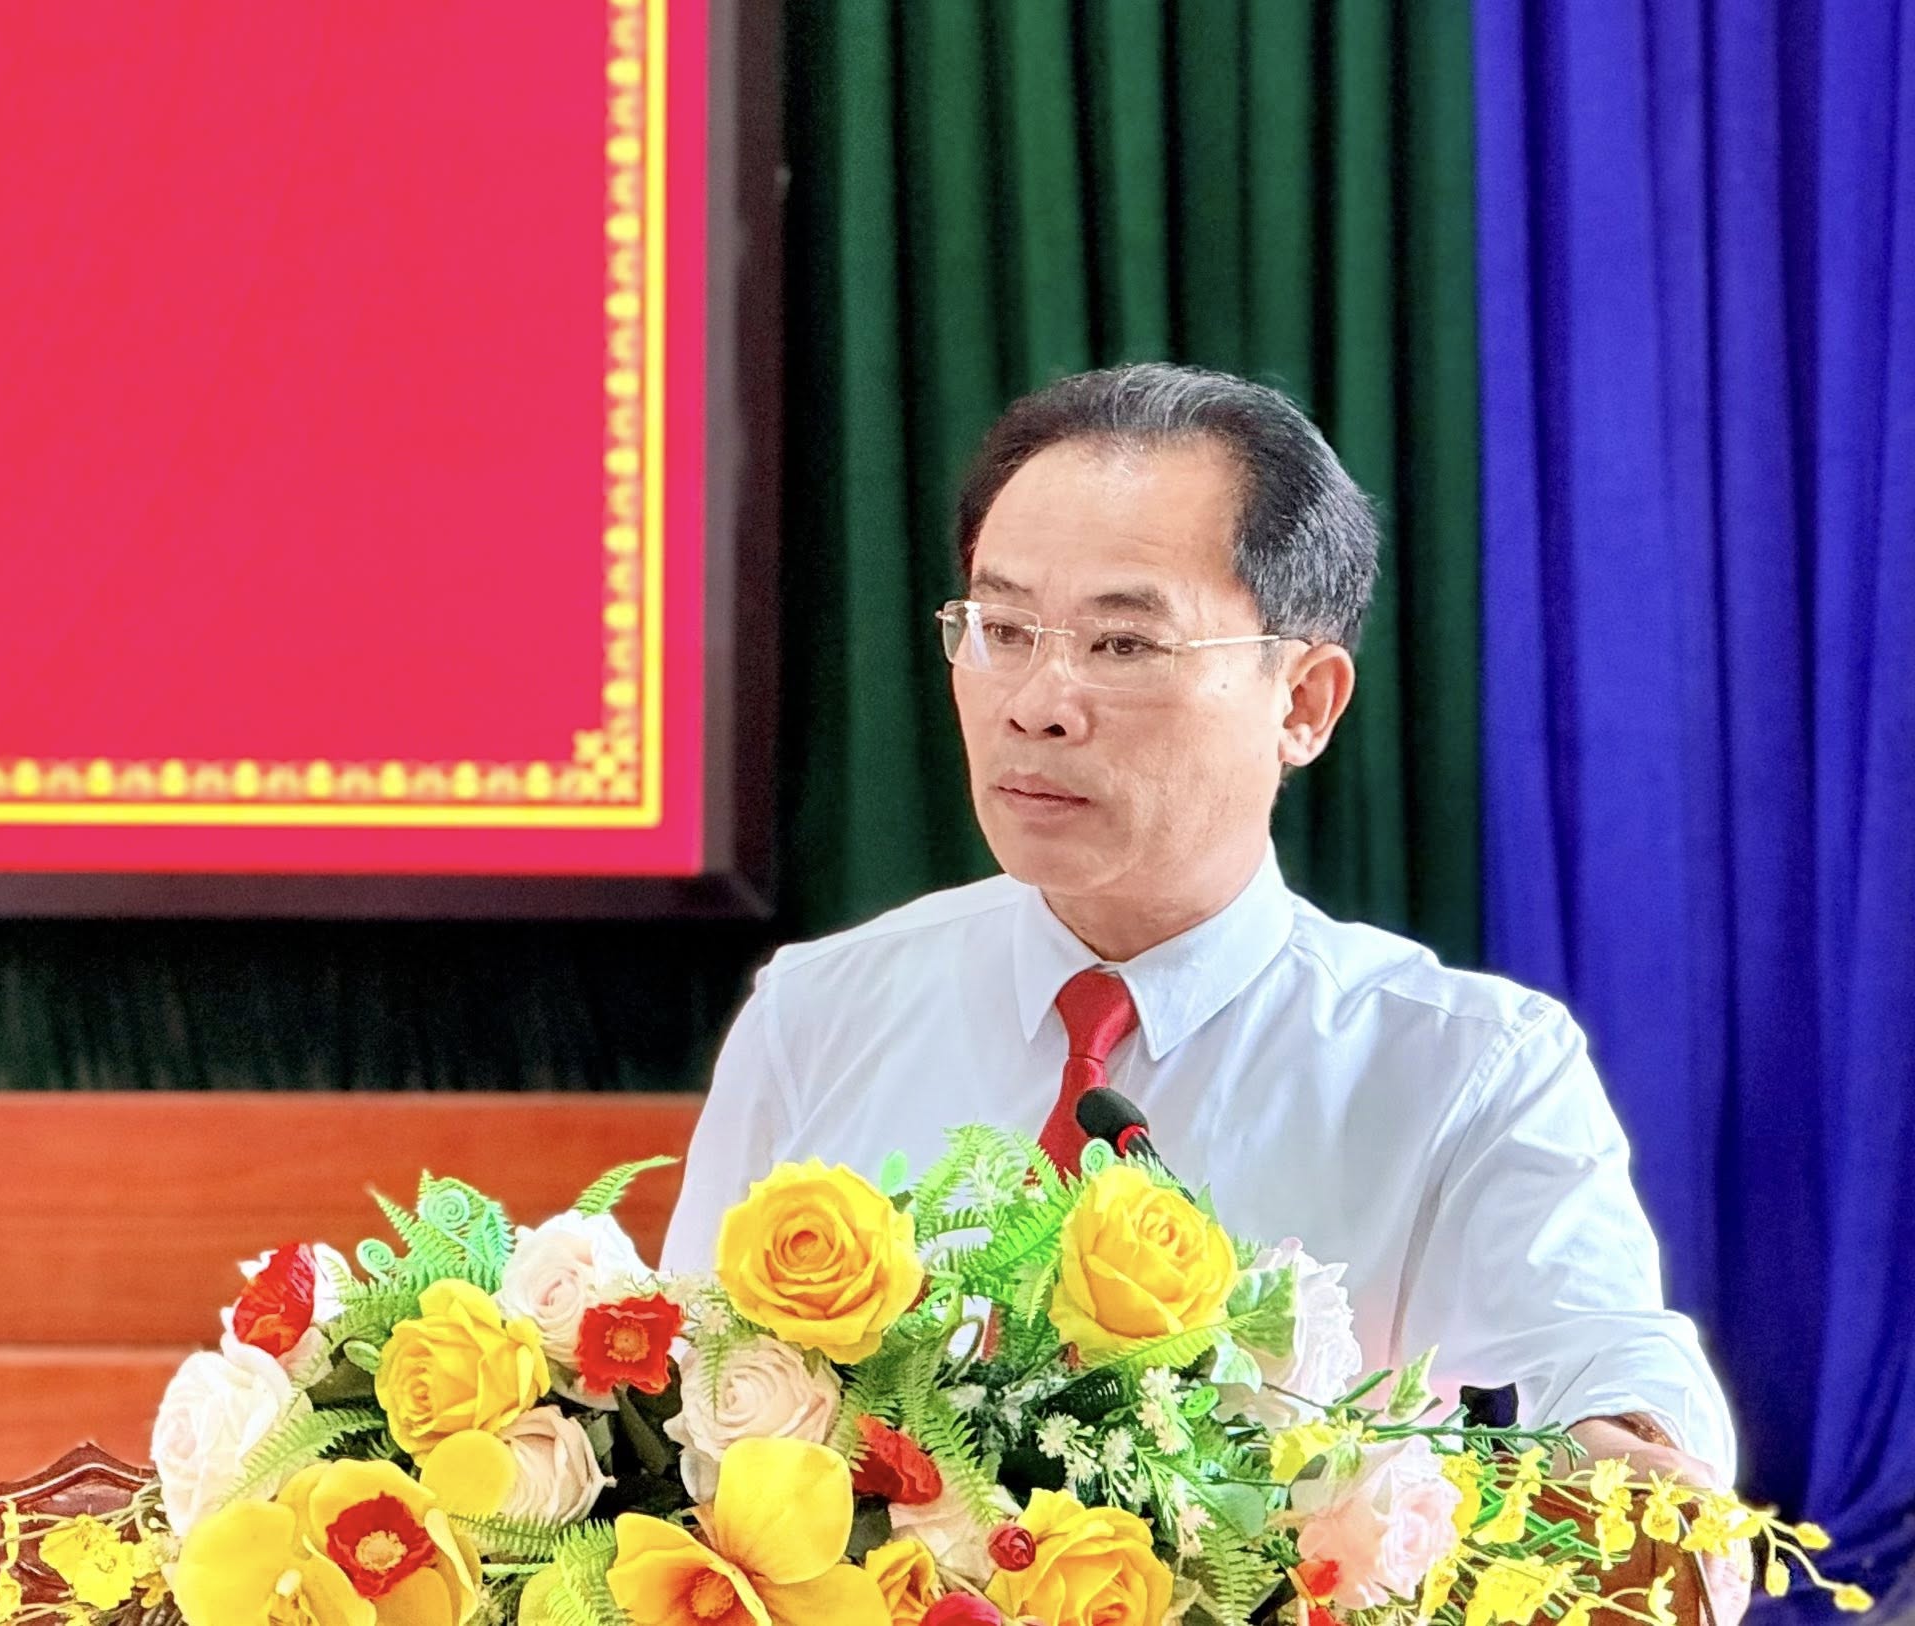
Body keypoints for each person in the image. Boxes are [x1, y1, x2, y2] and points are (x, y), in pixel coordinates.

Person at [663, 362, 1737, 1490]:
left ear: (1304, 703)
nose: (1035, 703)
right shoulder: (819, 1014)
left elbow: (1606, 1377)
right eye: (1002, 628)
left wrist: (1626, 1449)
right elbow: (691, 1410)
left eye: (1122, 645)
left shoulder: (1466, 1070)